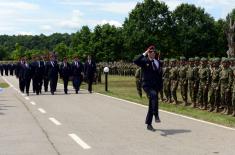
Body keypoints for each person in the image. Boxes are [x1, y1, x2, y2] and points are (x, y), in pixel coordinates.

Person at [133, 45, 163, 132]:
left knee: (152, 103)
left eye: (153, 51)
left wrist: (160, 86)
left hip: (155, 86)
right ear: (148, 53)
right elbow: (135, 60)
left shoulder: (158, 62)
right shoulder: (144, 61)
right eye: (150, 51)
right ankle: (156, 115)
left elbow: (159, 75)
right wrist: (144, 53)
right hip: (147, 85)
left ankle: (149, 124)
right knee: (154, 96)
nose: (152, 53)